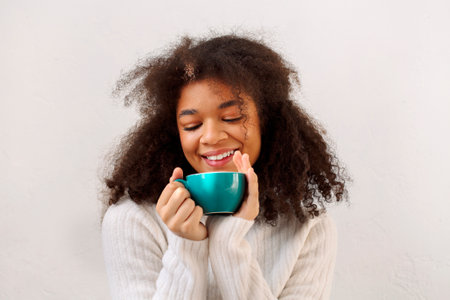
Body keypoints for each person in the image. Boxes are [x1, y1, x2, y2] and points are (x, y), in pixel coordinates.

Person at [101, 34, 349, 300]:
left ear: (266, 123)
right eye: (192, 126)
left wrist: (227, 243)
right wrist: (185, 244)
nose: (210, 137)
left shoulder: (308, 227)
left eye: (231, 118)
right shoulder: (132, 219)